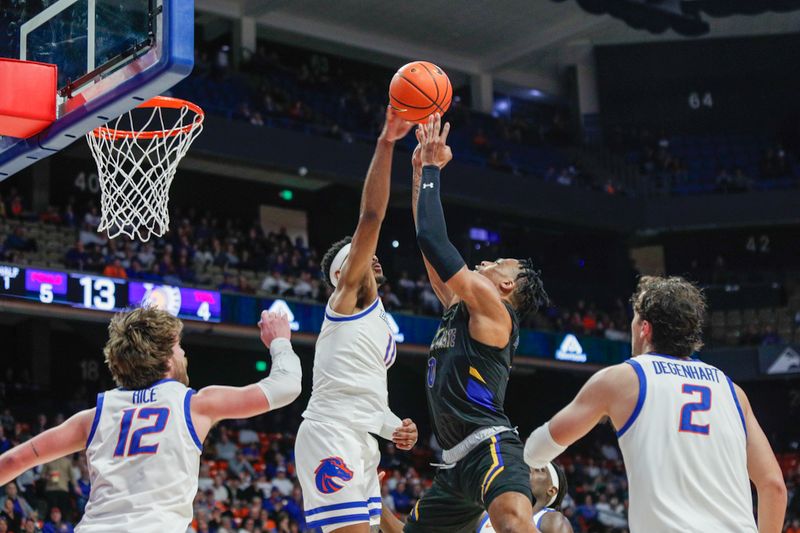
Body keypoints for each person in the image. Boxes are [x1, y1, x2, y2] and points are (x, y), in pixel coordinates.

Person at [0, 306, 302, 532]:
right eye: (180, 348)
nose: (185, 355)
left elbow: (14, 461)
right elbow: (286, 386)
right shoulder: (194, 404)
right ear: (168, 359)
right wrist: (280, 341)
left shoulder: (94, 416)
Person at [524, 276, 788, 533]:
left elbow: (539, 448)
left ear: (644, 328)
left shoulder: (623, 379)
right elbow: (773, 485)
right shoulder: (733, 392)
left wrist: (527, 458)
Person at [403, 115, 549, 533]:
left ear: (505, 284)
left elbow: (435, 239)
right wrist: (418, 173)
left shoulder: (494, 308)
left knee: (511, 524)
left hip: (489, 445)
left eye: (494, 263)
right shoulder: (464, 306)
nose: (482, 263)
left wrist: (432, 168)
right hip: (453, 464)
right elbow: (429, 249)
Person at [295, 107, 419, 533]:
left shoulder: (379, 318)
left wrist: (394, 426)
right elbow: (371, 217)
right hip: (331, 432)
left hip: (362, 438)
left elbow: (362, 390)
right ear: (343, 274)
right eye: (360, 256)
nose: (373, 255)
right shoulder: (344, 303)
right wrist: (387, 142)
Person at [379, 462, 572, 533]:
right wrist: (375, 500)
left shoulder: (552, 520)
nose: (528, 468)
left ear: (552, 490)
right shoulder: (484, 516)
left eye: (539, 470)